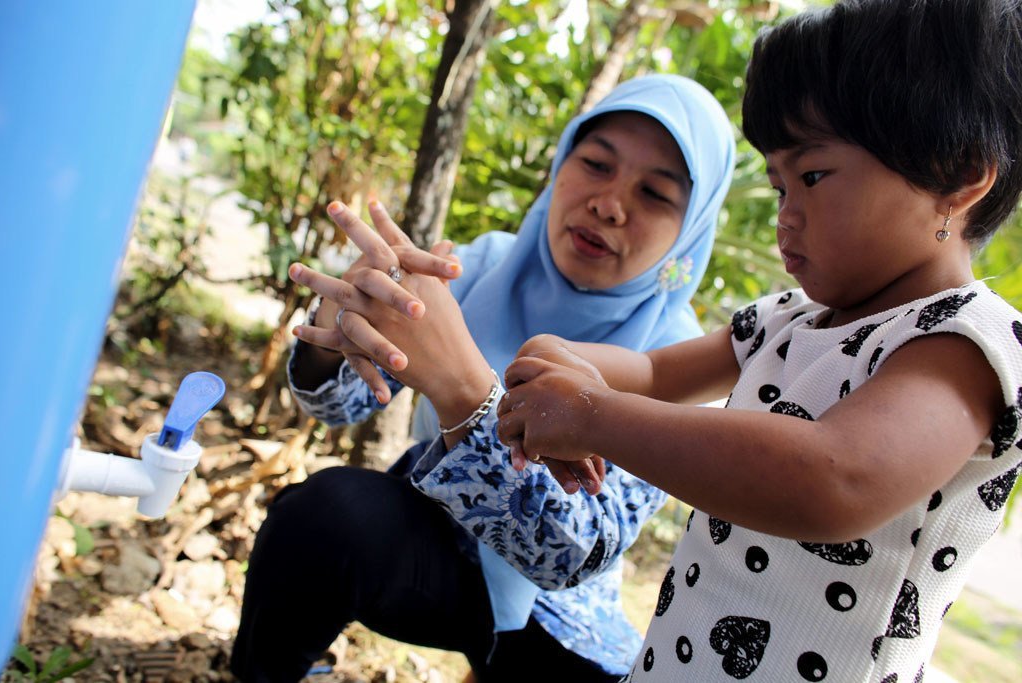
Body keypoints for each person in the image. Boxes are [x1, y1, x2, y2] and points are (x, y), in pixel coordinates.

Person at [496, 1, 1022, 680]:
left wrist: (592, 417)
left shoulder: (965, 342)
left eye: (812, 177)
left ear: (956, 175)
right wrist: (557, 362)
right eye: (778, 185)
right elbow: (652, 374)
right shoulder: (787, 318)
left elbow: (835, 477)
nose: (786, 215)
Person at [230, 74, 736, 682]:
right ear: (560, 166)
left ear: (691, 229)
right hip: (429, 537)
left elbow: (573, 552)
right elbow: (337, 407)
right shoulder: (476, 268)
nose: (608, 204)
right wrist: (343, 314)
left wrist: (467, 392)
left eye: (654, 194)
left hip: (554, 611)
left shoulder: (679, 360)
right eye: (596, 164)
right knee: (323, 516)